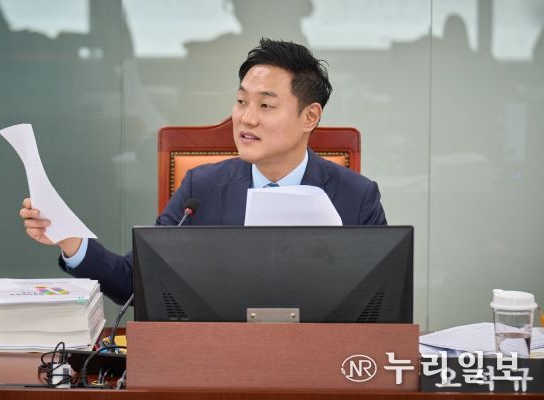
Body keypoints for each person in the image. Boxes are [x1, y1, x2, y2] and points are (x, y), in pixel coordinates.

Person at [20, 38, 387, 304]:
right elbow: (135, 283)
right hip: (216, 362)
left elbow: (380, 304)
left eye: (266, 105)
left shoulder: (357, 197)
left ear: (310, 117)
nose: (246, 118)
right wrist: (70, 240)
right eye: (241, 101)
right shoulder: (202, 189)